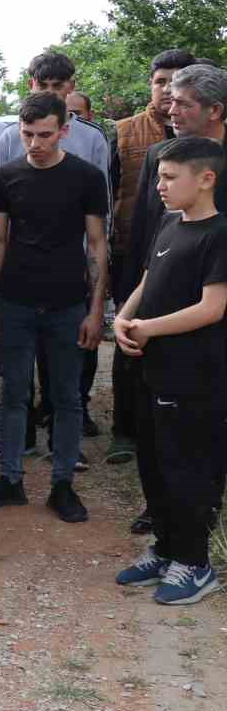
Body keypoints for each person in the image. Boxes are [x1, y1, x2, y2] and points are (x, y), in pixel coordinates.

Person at [0, 92, 108, 523]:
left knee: (66, 398)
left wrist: (96, 309)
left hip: (68, 303)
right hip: (15, 300)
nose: (36, 143)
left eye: (45, 134)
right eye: (28, 134)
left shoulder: (86, 177)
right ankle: (10, 479)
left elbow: (98, 243)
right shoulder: (7, 176)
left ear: (64, 129)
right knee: (13, 394)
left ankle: (62, 484)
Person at [114, 136, 227, 606]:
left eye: (169, 177)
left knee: (189, 469)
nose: (159, 185)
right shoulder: (167, 222)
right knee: (155, 463)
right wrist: (124, 316)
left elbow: (213, 307)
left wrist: (147, 328)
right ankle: (165, 548)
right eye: (159, 176)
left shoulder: (219, 234)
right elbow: (147, 279)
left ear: (205, 179)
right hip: (152, 369)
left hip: (195, 376)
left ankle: (196, 563)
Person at [122, 63, 227, 532]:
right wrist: (134, 307)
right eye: (170, 98)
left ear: (215, 110)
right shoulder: (160, 156)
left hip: (215, 308)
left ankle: (199, 526)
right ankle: (163, 517)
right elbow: (148, 225)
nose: (170, 107)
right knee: (158, 428)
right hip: (165, 313)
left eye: (183, 102)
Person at [106, 49, 195, 467]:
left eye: (177, 84)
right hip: (136, 254)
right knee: (130, 343)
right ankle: (124, 430)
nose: (167, 92)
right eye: (161, 82)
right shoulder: (123, 133)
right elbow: (127, 205)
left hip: (199, 260)